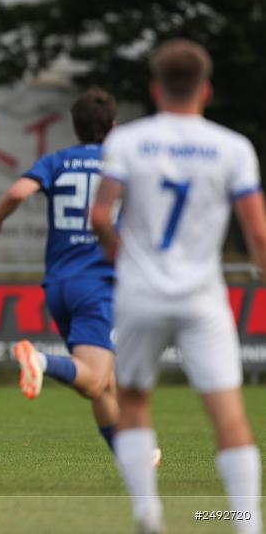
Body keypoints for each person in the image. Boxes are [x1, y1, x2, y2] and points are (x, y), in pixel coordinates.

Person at [91, 39, 264, 534]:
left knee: (135, 402)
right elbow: (257, 232)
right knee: (228, 414)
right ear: (206, 90)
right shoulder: (233, 147)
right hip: (201, 298)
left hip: (141, 293)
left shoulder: (128, 142)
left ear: (155, 89)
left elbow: (101, 214)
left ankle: (148, 514)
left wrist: (118, 252)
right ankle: (247, 525)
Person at [0, 88, 154, 459]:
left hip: (58, 284)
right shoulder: (123, 165)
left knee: (104, 383)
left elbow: (17, 192)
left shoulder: (57, 161)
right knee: (93, 380)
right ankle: (39, 360)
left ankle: (131, 458)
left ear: (75, 128)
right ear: (114, 126)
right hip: (99, 283)